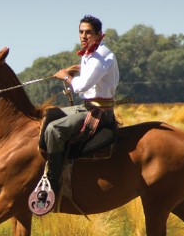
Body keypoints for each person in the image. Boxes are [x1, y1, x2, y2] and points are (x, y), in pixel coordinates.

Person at [29, 15, 120, 216]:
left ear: (99, 35)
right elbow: (91, 74)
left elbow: (81, 86)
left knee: (54, 129)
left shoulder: (100, 56)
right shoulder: (90, 54)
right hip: (88, 106)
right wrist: (77, 69)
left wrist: (66, 77)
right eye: (81, 32)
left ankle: (52, 182)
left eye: (88, 32)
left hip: (99, 112)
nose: (84, 36)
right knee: (50, 115)